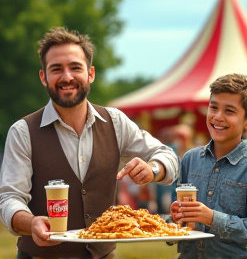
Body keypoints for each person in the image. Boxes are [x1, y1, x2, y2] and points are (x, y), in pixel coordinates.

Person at [0, 27, 178, 259]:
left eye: (75, 67)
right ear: (44, 77)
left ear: (90, 73)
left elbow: (169, 156)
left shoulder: (115, 122)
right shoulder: (23, 132)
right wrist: (30, 222)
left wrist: (153, 169)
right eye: (56, 69)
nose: (67, 77)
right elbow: (9, 199)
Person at [170, 73, 247, 258]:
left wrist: (213, 219)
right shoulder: (190, 159)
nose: (218, 117)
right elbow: (179, 224)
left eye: (229, 111)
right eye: (214, 107)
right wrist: (173, 220)